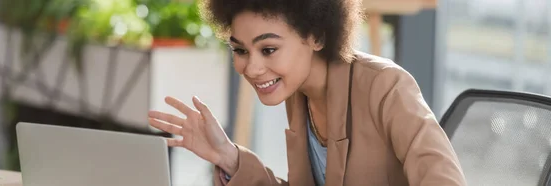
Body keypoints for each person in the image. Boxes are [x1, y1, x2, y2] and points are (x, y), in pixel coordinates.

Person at [147, 0, 467, 185]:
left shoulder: (385, 85)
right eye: (240, 50)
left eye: (268, 49)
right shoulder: (299, 97)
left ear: (315, 36)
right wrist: (228, 157)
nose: (252, 68)